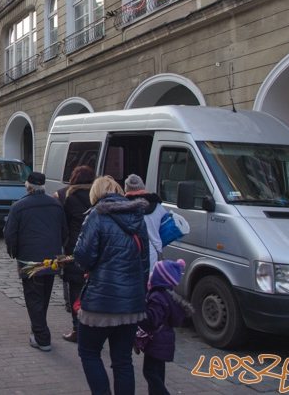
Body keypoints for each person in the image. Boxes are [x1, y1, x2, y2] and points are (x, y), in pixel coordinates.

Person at [74, 175, 150, 395]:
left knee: (89, 352)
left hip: (101, 299)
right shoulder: (137, 217)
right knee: (123, 360)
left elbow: (84, 257)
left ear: (95, 194)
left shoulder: (96, 216)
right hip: (131, 303)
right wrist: (139, 294)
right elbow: (144, 261)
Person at [4, 172, 68, 352]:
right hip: (52, 259)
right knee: (44, 295)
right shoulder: (56, 205)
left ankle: (42, 337)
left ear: (27, 186)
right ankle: (38, 331)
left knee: (34, 297)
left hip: (30, 260)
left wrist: (14, 252)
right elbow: (64, 231)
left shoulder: (19, 206)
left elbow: (10, 234)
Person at [137, 259, 194, 395]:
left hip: (157, 342)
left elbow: (152, 320)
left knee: (150, 373)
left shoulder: (157, 296)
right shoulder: (167, 295)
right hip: (163, 342)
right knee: (158, 373)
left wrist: (140, 309)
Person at [59, 165, 95, 344]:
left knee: (75, 289)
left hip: (75, 247)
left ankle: (77, 328)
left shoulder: (70, 199)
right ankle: (92, 329)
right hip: (95, 247)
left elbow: (63, 225)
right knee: (92, 289)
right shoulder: (98, 198)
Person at [124, 174, 165, 272]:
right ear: (143, 186)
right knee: (149, 284)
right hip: (152, 253)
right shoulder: (157, 207)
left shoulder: (123, 207)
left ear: (126, 189)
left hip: (129, 252)